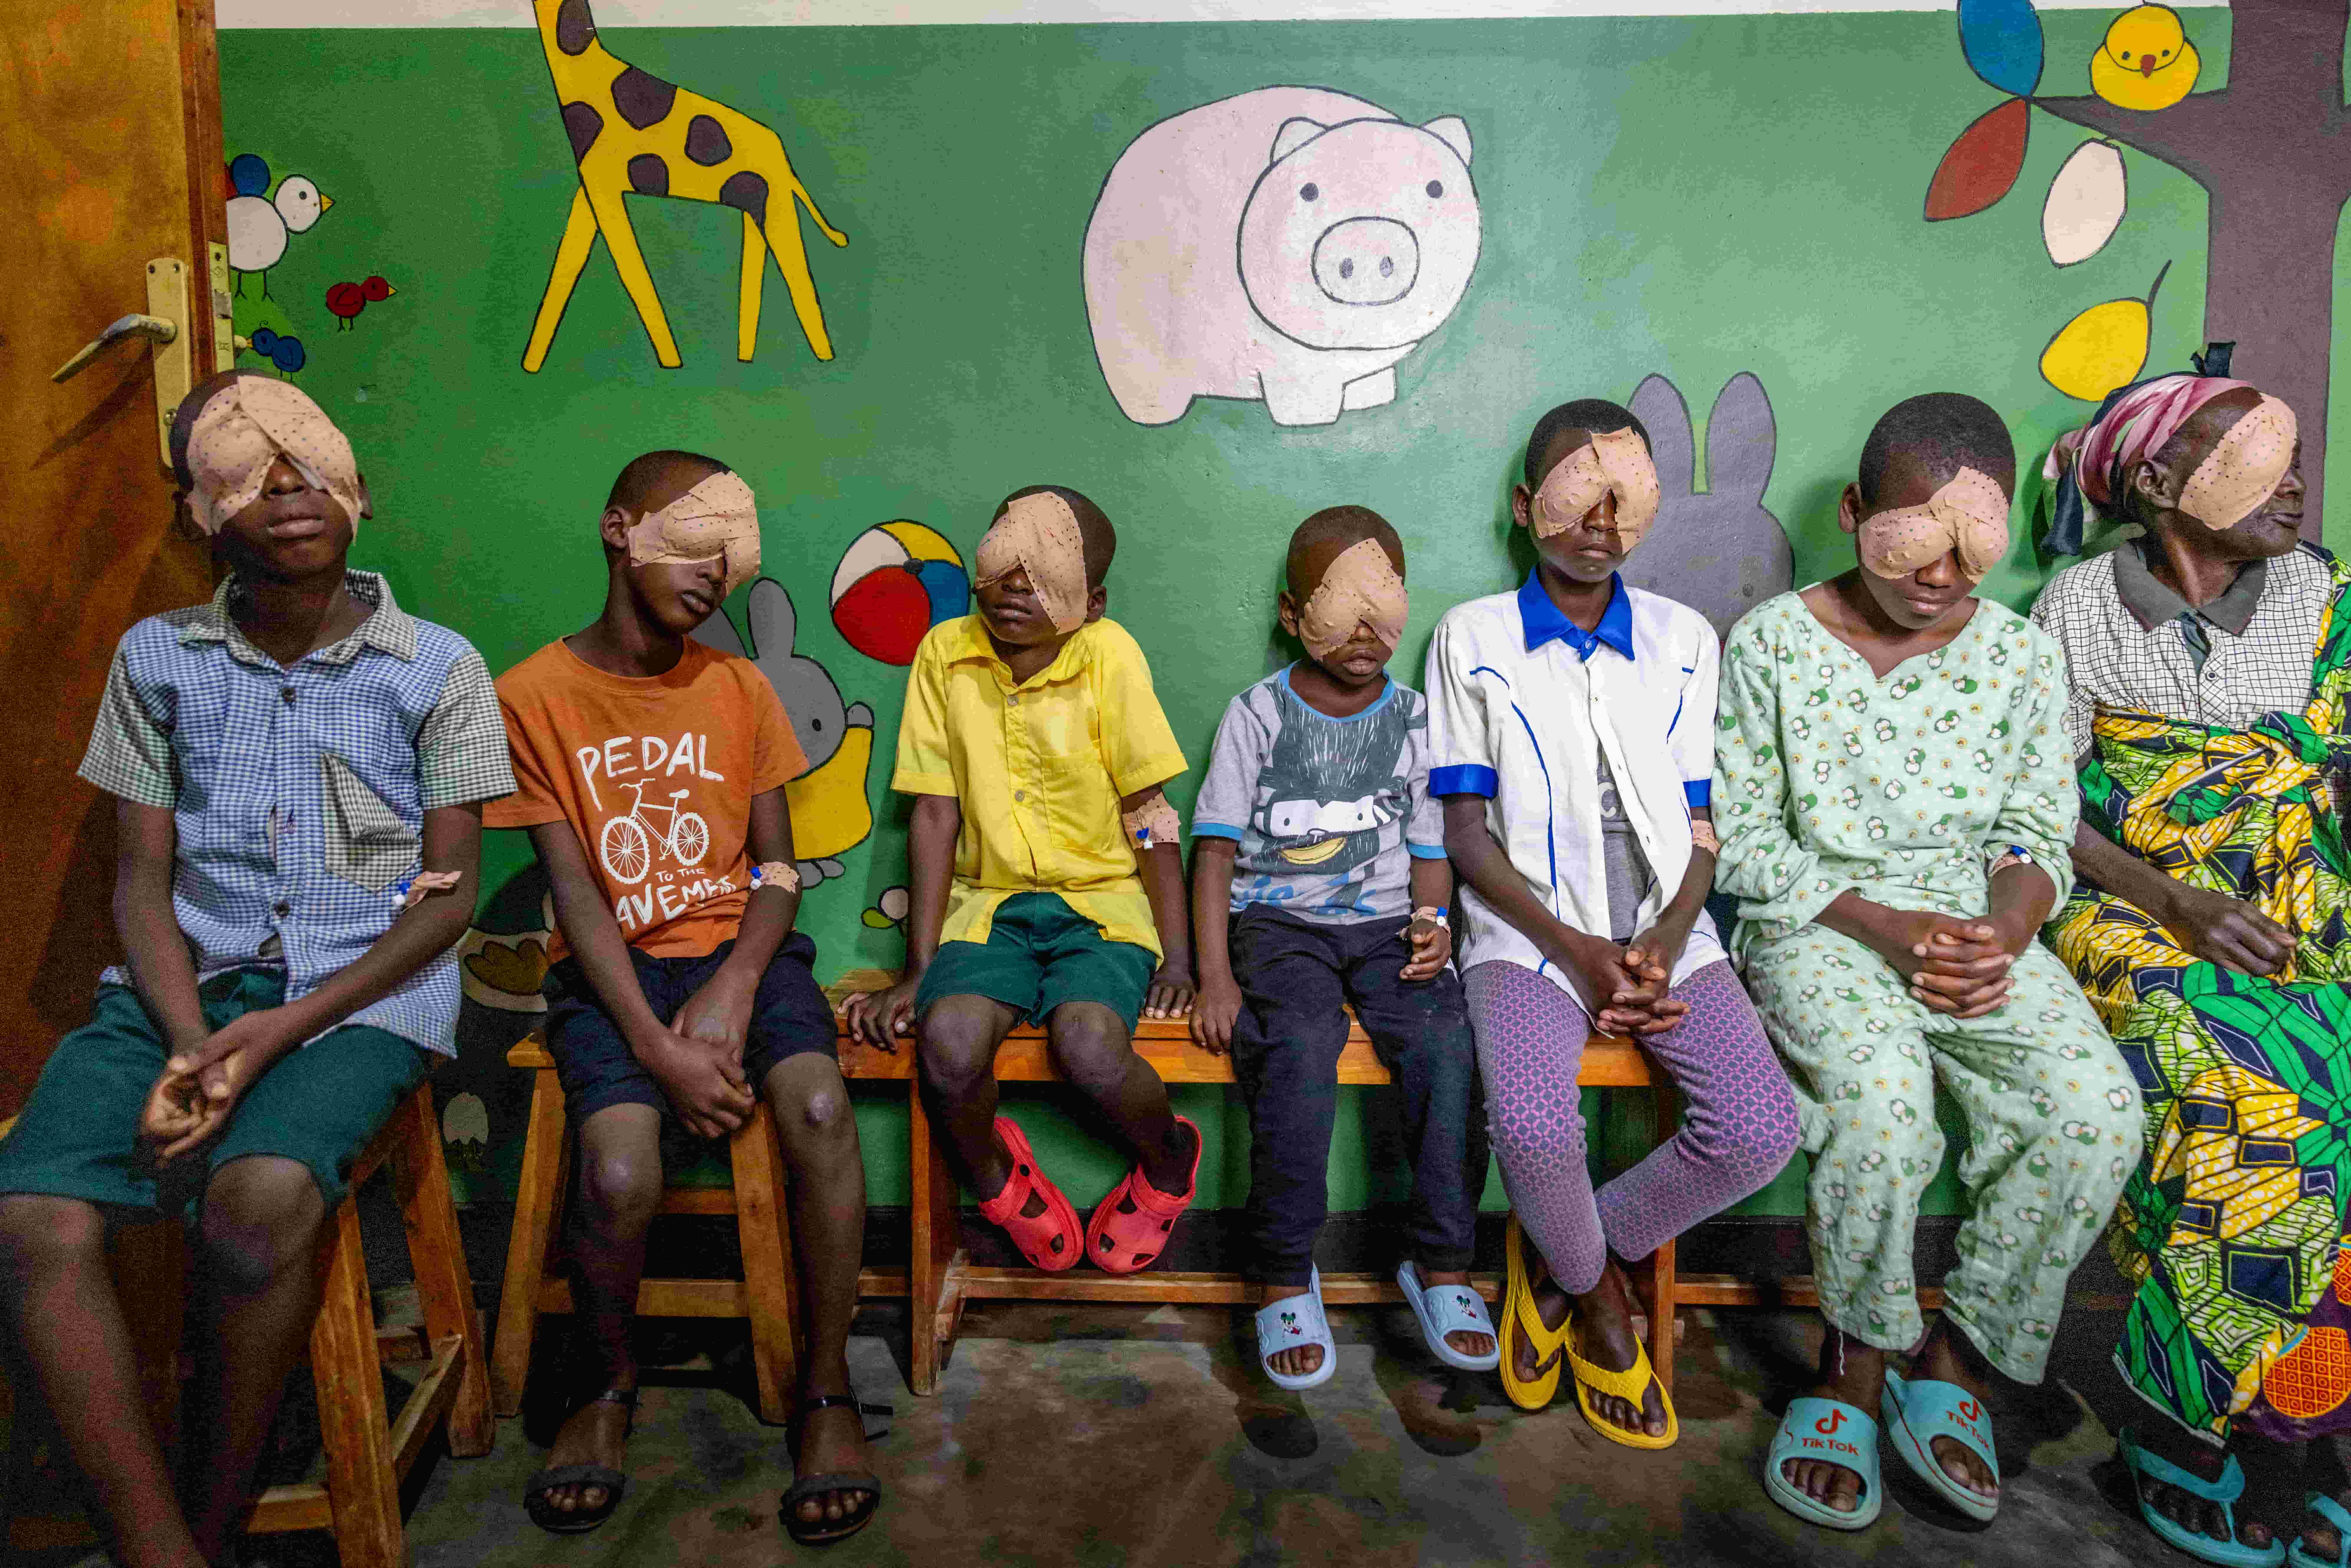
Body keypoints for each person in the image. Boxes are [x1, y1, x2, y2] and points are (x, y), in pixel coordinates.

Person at [0, 373, 515, 1568]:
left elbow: (449, 900)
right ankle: (163, 1552)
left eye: (308, 457)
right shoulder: (158, 659)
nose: (286, 485)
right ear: (199, 512)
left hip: (362, 995)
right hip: (178, 989)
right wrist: (191, 1041)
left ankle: (218, 1520)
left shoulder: (437, 667)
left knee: (258, 1206)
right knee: (26, 1218)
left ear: (359, 488)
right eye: (245, 465)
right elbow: (141, 883)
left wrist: (280, 1033)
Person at [1715, 391, 2140, 1531]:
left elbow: (2036, 828)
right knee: (1881, 1103)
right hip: (1819, 921)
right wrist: (1883, 926)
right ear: (1855, 513)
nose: (1941, 576)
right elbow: (1744, 839)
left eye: (1970, 550)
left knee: (2095, 1112)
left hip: (1975, 925)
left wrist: (2006, 930)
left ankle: (1955, 1362)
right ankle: (1853, 1366)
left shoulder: (2018, 655)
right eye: (1913, 543)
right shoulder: (1773, 644)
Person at [487, 451, 877, 1545]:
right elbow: (577, 899)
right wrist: (660, 1049)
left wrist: (738, 987)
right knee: (620, 1171)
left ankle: (828, 1388)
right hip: (613, 975)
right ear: (619, 529)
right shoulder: (530, 698)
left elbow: (779, 872)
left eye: (733, 557)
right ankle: (607, 1385)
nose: (717, 572)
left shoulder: (740, 686)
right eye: (696, 543)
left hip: (742, 955)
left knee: (819, 1107)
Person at [1427, 399, 1799, 1448]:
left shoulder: (1683, 641)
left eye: (1624, 497)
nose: (1601, 519)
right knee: (1534, 1129)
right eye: (1575, 493)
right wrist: (1579, 953)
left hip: (1667, 934)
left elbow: (1700, 821)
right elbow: (1464, 834)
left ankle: (1556, 1259)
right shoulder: (1472, 637)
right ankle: (1597, 1301)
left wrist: (1669, 937)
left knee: (1760, 1131)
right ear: (1525, 506)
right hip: (1529, 941)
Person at [2033, 357, 2351, 1567]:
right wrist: (2177, 903)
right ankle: (2181, 1416)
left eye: (2295, 456)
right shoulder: (2076, 610)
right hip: (2136, 912)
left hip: (2308, 899)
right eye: (2253, 459)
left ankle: (2297, 1423)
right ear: (2161, 485)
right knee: (2253, 1094)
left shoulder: (2325, 597)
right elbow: (2042, 805)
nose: (2295, 480)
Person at [845, 486, 1200, 1276]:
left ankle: (1170, 1157)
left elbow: (1148, 813)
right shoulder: (945, 654)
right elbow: (933, 814)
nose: (1014, 585)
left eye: (1042, 575)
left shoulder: (1110, 655)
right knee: (948, 1042)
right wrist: (919, 967)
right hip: (989, 907)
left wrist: (1178, 958)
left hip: (1101, 907)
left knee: (1089, 1045)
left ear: (1092, 603)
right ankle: (996, 1181)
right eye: (1005, 561)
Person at [1189, 506, 1496, 1388]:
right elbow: (1214, 850)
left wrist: (1434, 924)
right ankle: (1285, 1270)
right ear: (1294, 616)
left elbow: (1432, 850)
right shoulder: (1258, 714)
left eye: (1382, 603)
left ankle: (1443, 1263)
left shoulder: (1418, 719)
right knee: (1295, 1049)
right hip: (1279, 926)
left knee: (1446, 1047)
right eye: (1339, 606)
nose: (1365, 630)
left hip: (1389, 924)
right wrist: (1216, 977)